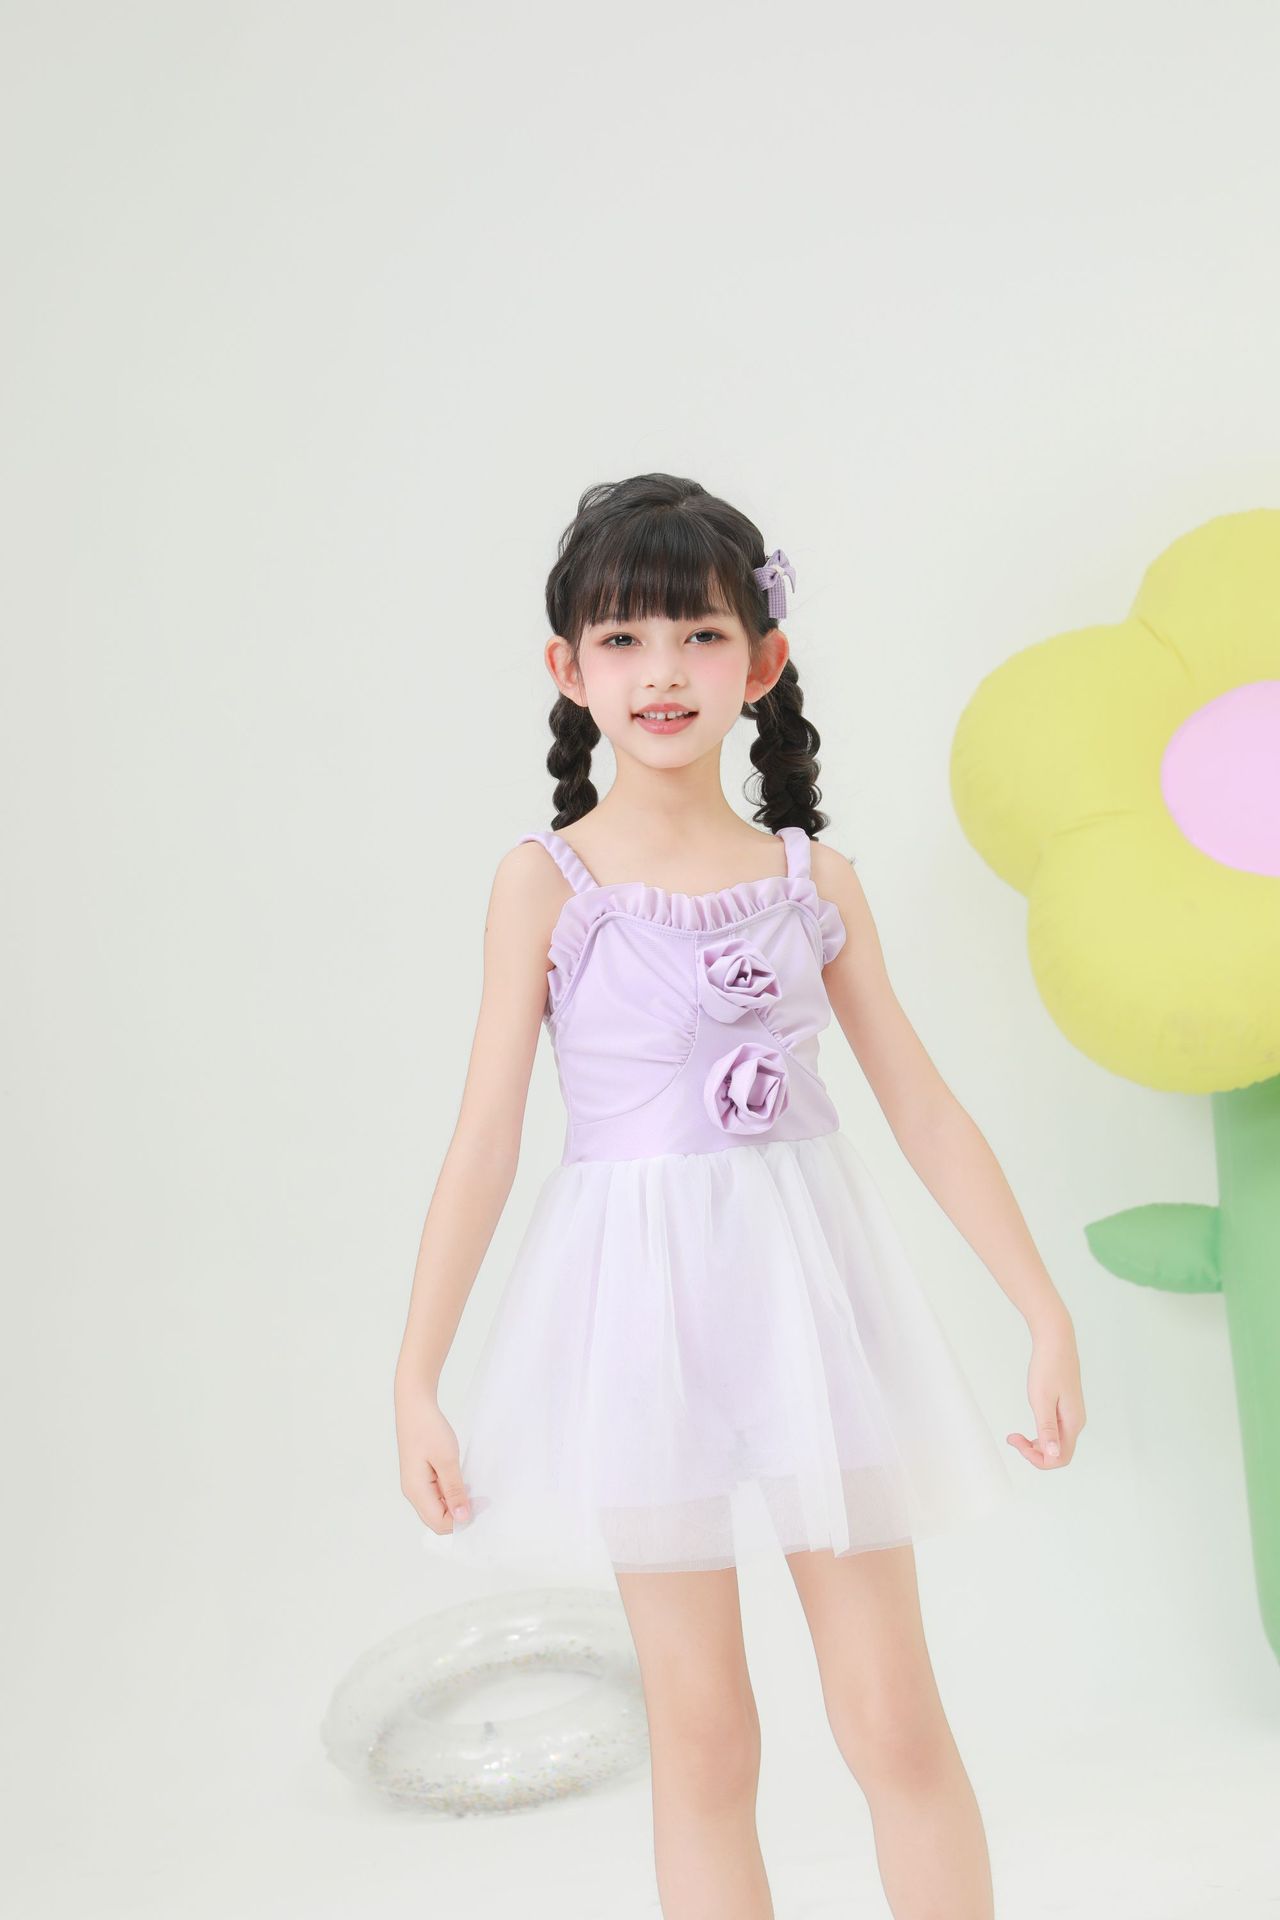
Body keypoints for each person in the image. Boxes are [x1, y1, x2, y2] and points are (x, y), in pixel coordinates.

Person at [394, 471, 1086, 1919]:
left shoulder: (809, 878)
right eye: (625, 639)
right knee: (706, 1741)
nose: (663, 672)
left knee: (893, 1719)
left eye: (699, 635)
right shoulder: (546, 885)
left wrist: (1041, 1309)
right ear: (569, 670)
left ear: (760, 662)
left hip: (808, 1313)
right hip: (639, 1323)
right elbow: (485, 1139)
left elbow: (924, 1107)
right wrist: (417, 1375)